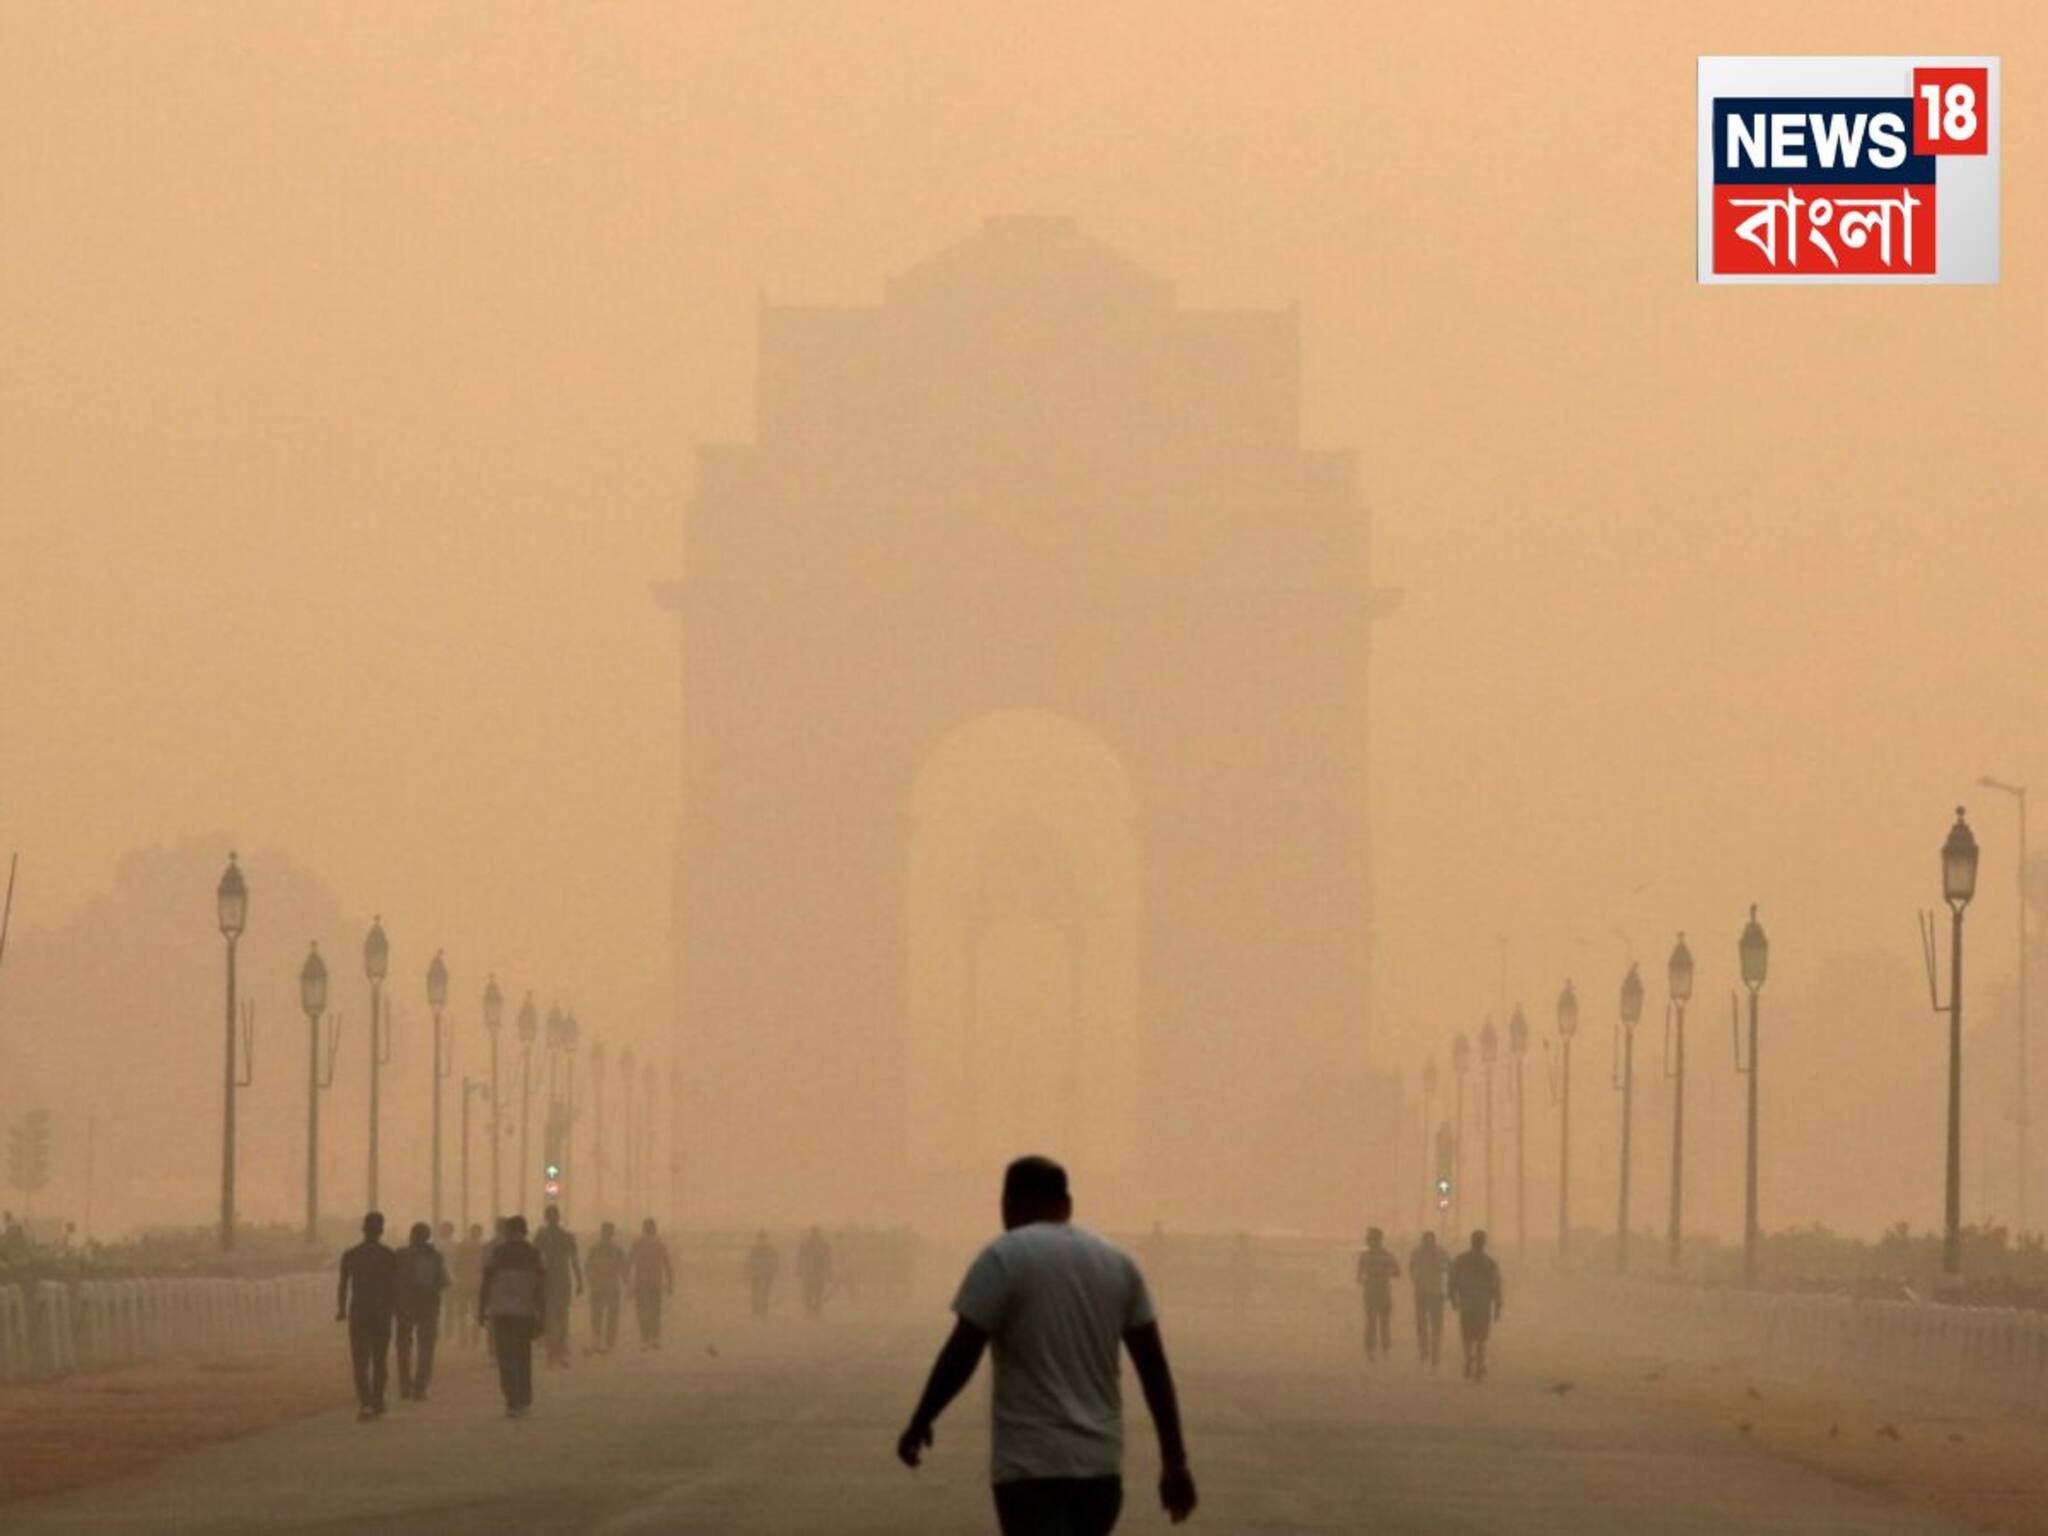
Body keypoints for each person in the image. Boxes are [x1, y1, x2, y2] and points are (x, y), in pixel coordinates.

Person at [897, 1155, 1198, 1534]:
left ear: (1008, 1203)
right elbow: (1153, 1367)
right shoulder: (1119, 1263)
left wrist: (921, 1420)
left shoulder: (1003, 1257)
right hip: (1099, 1470)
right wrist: (1175, 1461)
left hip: (1030, 1468)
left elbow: (962, 1352)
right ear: (1066, 1204)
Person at [479, 1214, 545, 1418]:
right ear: (525, 1231)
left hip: (502, 1312)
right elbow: (541, 1287)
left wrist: (482, 1308)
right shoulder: (534, 1254)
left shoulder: (497, 1253)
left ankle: (512, 1401)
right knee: (523, 1356)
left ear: (507, 1232)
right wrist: (542, 1314)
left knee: (506, 1358)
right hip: (525, 1313)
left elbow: (486, 1282)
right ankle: (524, 1399)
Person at [336, 1211, 399, 1421]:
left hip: (360, 1311)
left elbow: (344, 1285)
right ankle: (378, 1400)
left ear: (363, 1229)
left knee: (361, 1360)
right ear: (381, 1230)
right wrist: (396, 1309)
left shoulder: (351, 1254)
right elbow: (395, 1287)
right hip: (382, 1312)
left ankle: (366, 1403)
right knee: (380, 1359)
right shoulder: (389, 1255)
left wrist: (341, 1309)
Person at [395, 1221, 450, 1401]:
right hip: (429, 1307)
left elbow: (392, 1280)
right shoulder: (435, 1256)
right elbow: (444, 1282)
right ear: (428, 1237)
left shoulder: (400, 1254)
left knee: (403, 1347)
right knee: (426, 1348)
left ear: (411, 1236)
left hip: (405, 1306)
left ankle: (404, 1386)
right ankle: (420, 1387)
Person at [1447, 1230, 1504, 1382]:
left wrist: (1453, 1297)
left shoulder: (1461, 1260)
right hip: (1483, 1305)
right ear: (1484, 1243)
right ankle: (1479, 1363)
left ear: (1471, 1241)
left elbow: (1452, 1280)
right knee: (1481, 1337)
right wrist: (1498, 1305)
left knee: (1467, 1336)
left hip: (1467, 1304)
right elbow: (1496, 1285)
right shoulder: (1489, 1263)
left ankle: (1468, 1358)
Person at [534, 1205, 583, 1368]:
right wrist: (580, 1280)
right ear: (558, 1217)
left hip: (548, 1280)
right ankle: (560, 1352)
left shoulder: (541, 1235)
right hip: (562, 1279)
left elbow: (534, 1259)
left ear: (545, 1217)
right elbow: (574, 1260)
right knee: (562, 1317)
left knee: (550, 1317)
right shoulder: (567, 1236)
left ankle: (552, 1354)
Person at [627, 1218, 675, 1350]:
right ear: (654, 1229)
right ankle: (655, 1338)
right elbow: (667, 1264)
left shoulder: (637, 1243)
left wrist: (627, 1283)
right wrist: (670, 1283)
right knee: (655, 1310)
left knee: (642, 1310)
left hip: (640, 1282)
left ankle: (644, 1338)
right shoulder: (660, 1243)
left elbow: (629, 1262)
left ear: (643, 1228)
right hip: (656, 1282)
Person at [1355, 1227, 1399, 1362]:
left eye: (1370, 1238)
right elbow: (1359, 1276)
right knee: (1375, 1322)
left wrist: (1382, 1275)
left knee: (1379, 1322)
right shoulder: (1383, 1255)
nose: (1368, 1241)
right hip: (1376, 1293)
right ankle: (1376, 1350)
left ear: (1376, 1240)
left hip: (1379, 1292)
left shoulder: (1380, 1256)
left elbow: (1396, 1272)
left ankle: (1379, 1350)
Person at [1408, 1230, 1448, 1368]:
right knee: (1423, 1324)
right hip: (1425, 1292)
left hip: (1434, 1292)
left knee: (1433, 1325)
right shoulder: (1418, 1252)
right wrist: (1414, 1279)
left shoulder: (1439, 1252)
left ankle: (1433, 1353)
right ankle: (1425, 1351)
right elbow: (1411, 1267)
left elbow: (1449, 1266)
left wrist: (1441, 1267)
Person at [586, 1221, 624, 1355]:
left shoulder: (594, 1248)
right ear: (612, 1233)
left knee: (597, 1314)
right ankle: (608, 1343)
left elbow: (588, 1267)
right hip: (612, 1285)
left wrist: (591, 1280)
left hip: (598, 1285)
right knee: (612, 1315)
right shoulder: (617, 1250)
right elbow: (622, 1268)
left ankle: (597, 1340)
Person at [451, 1222, 486, 1350]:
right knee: (476, 1312)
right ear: (480, 1234)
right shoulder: (482, 1247)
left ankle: (463, 1339)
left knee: (462, 1313)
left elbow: (456, 1264)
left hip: (463, 1283)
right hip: (477, 1283)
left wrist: (458, 1276)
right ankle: (474, 1338)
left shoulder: (462, 1245)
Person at [797, 1226, 834, 1316]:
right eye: (814, 1232)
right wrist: (798, 1269)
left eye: (816, 1233)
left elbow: (828, 1258)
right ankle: (809, 1310)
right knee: (808, 1291)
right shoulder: (805, 1243)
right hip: (808, 1271)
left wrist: (829, 1272)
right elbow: (800, 1257)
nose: (815, 1234)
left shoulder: (824, 1244)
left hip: (818, 1271)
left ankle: (816, 1310)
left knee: (818, 1291)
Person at [435, 1220, 461, 1340]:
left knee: (441, 1307)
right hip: (449, 1279)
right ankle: (446, 1331)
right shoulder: (454, 1245)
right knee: (447, 1307)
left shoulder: (436, 1244)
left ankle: (443, 1331)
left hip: (441, 1279)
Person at [746, 1230, 779, 1320]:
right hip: (756, 1274)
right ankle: (756, 1309)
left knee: (765, 1292)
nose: (762, 1241)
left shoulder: (770, 1249)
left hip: (766, 1274)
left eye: (763, 1239)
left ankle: (763, 1310)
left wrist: (774, 1270)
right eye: (761, 1239)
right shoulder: (754, 1249)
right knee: (756, 1292)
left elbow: (775, 1260)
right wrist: (750, 1271)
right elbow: (749, 1261)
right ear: (758, 1239)